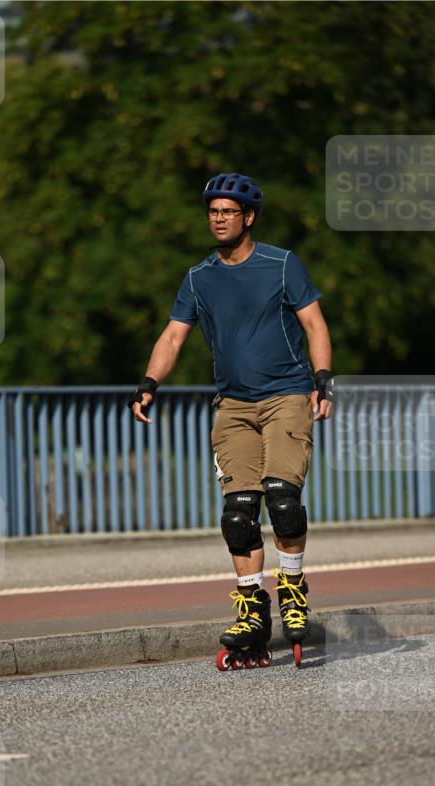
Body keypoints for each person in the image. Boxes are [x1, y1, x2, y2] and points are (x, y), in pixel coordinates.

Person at [130, 172, 333, 663]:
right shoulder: (199, 277)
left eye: (228, 212)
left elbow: (314, 323)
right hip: (233, 406)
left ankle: (293, 595)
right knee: (238, 514)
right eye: (213, 212)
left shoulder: (281, 264)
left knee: (283, 501)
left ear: (249, 218)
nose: (218, 219)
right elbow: (173, 337)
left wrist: (324, 380)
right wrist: (148, 383)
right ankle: (252, 611)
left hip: (287, 394)